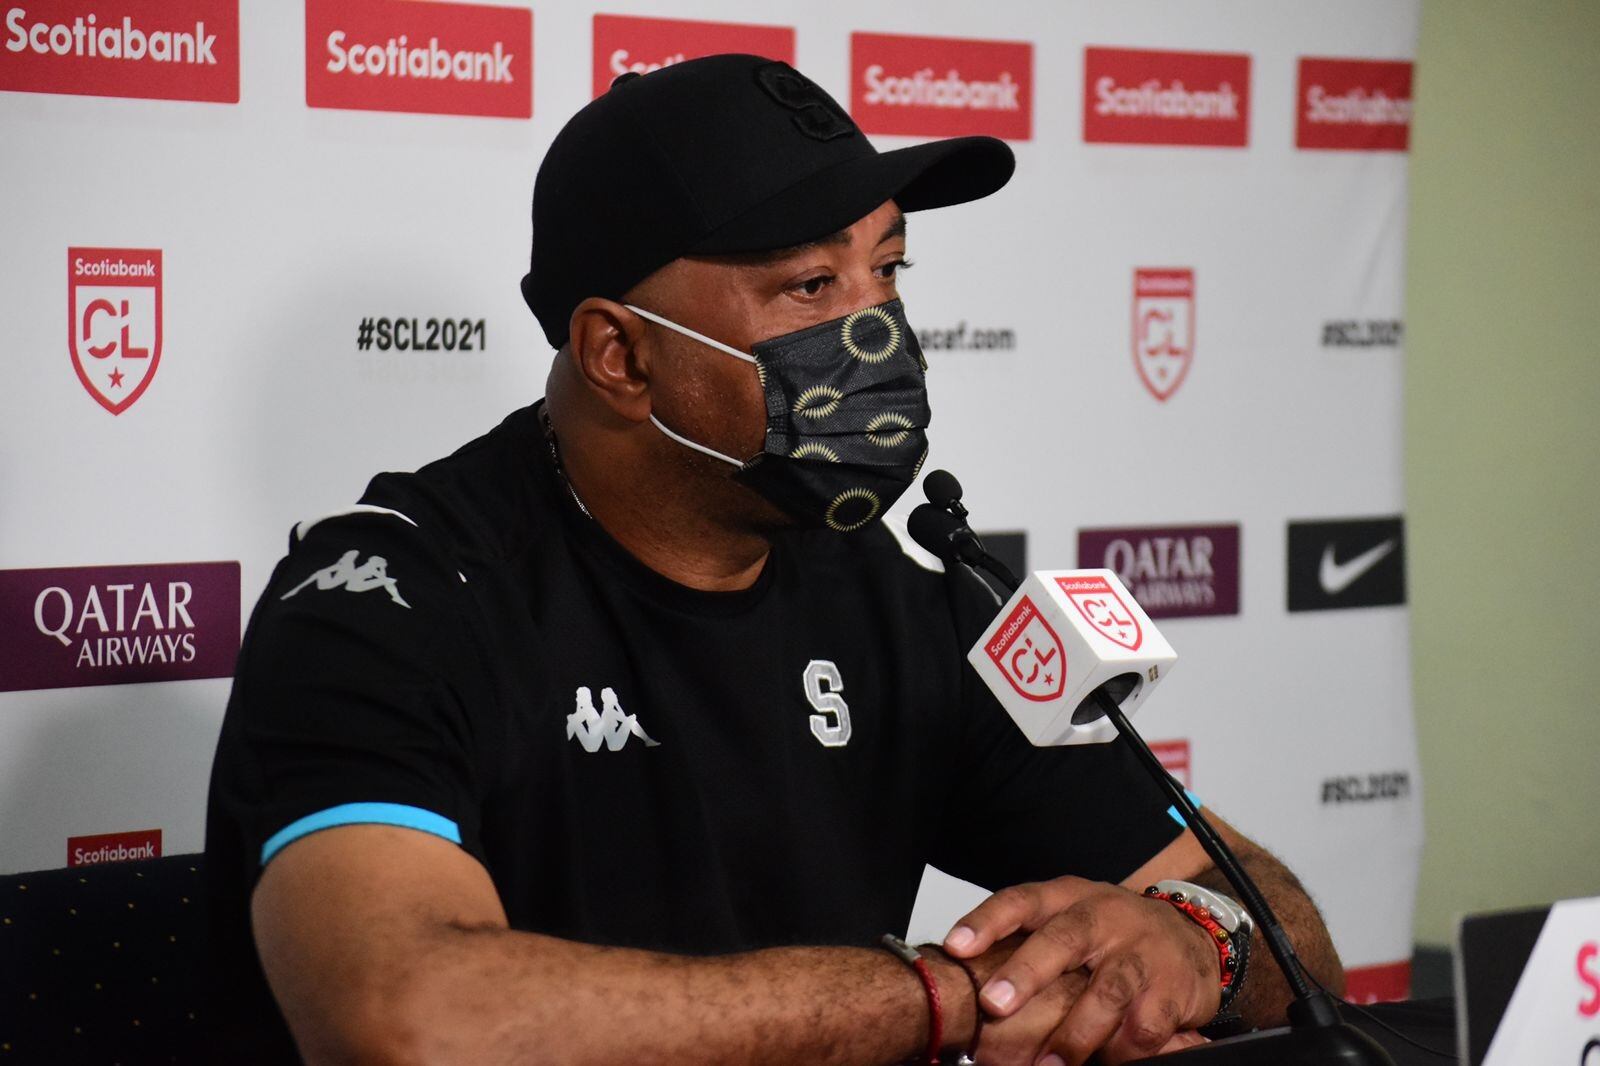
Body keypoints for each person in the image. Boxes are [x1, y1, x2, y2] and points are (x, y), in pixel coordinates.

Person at [204, 54, 1343, 1066]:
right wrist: (942, 1002)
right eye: (810, 287)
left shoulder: (898, 594)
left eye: (888, 273)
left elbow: (1279, 918)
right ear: (620, 353)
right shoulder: (387, 603)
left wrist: (1188, 942)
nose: (878, 331)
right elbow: (408, 1020)